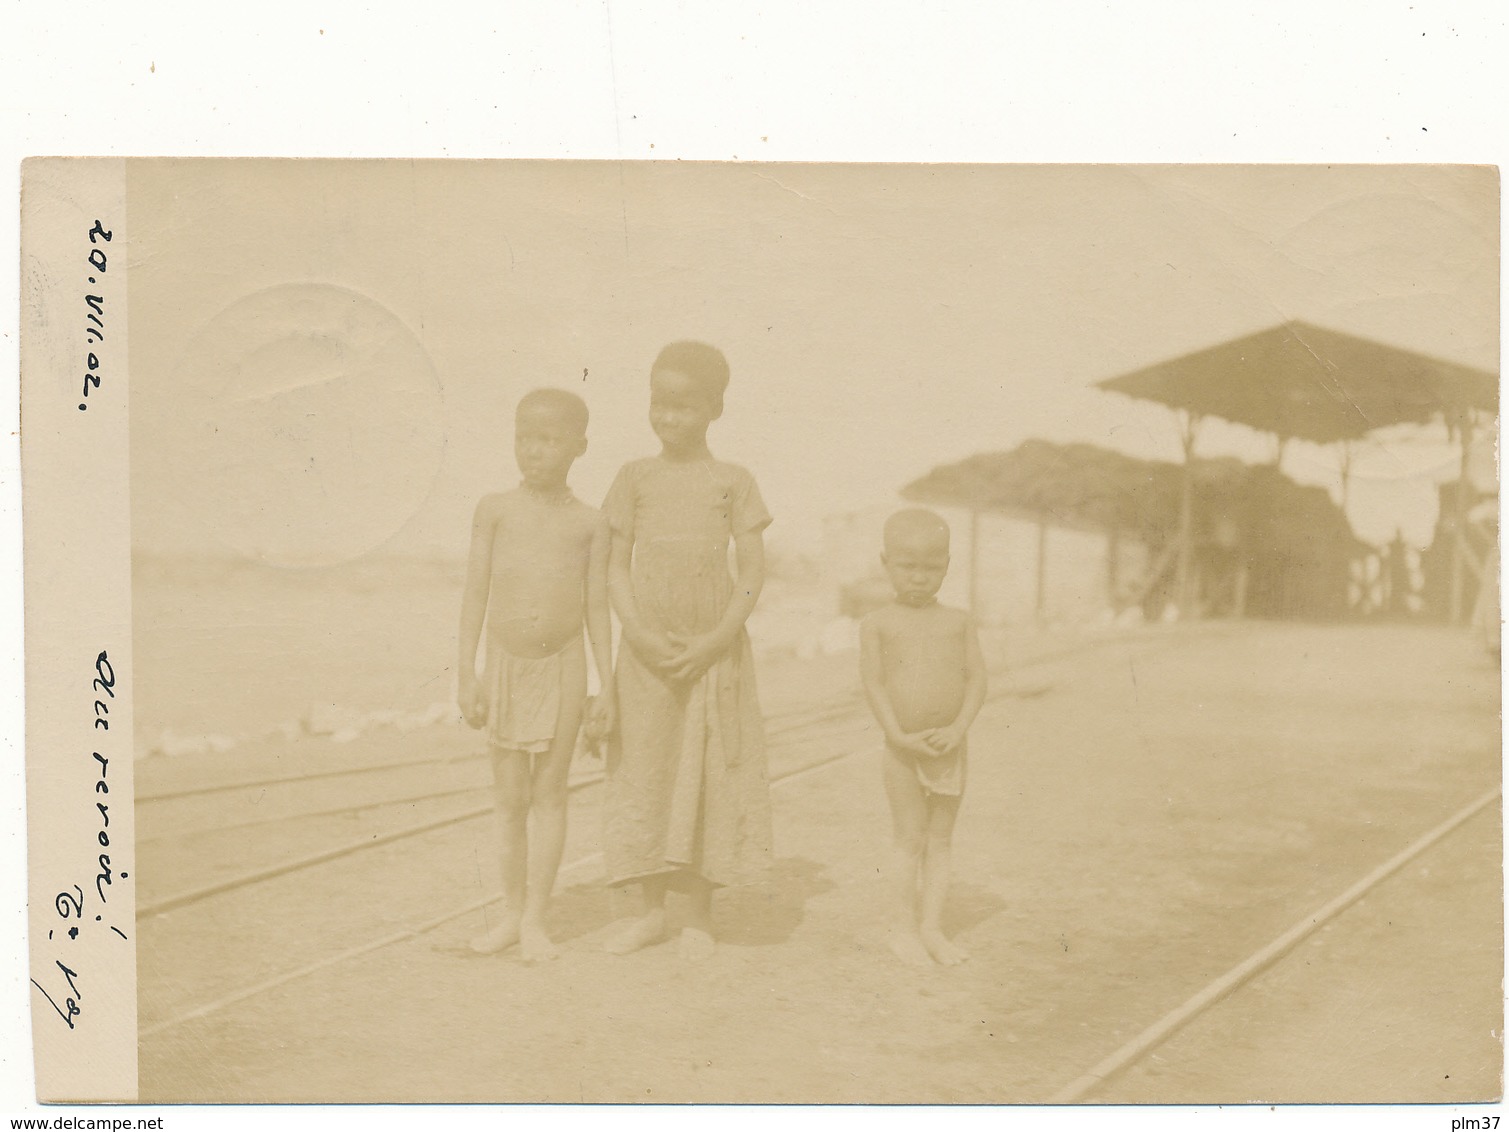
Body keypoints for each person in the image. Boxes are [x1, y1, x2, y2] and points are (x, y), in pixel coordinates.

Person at [600, 341, 773, 961]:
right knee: (645, 775)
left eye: (683, 405)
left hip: (712, 656)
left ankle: (698, 916)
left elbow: (752, 569)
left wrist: (715, 639)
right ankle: (648, 914)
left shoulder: (734, 481)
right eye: (658, 403)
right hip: (646, 658)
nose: (667, 417)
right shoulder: (633, 478)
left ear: (714, 409)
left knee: (705, 778)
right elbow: (615, 568)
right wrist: (640, 634)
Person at [457, 389, 614, 961]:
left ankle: (537, 921)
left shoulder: (591, 523)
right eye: (525, 437)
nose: (534, 451)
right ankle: (508, 913)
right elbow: (475, 593)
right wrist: (465, 675)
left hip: (564, 665)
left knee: (550, 794)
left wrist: (607, 686)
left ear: (578, 446)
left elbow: (598, 607)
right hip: (502, 663)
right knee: (508, 799)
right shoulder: (494, 510)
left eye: (548, 440)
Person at [859, 509, 986, 966]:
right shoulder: (878, 623)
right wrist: (896, 734)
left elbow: (976, 680)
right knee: (908, 839)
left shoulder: (958, 621)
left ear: (947, 566)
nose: (919, 577)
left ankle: (932, 928)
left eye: (931, 567)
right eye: (907, 566)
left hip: (950, 749)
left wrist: (957, 729)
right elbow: (872, 683)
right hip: (902, 750)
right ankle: (903, 930)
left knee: (942, 840)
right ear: (886, 563)